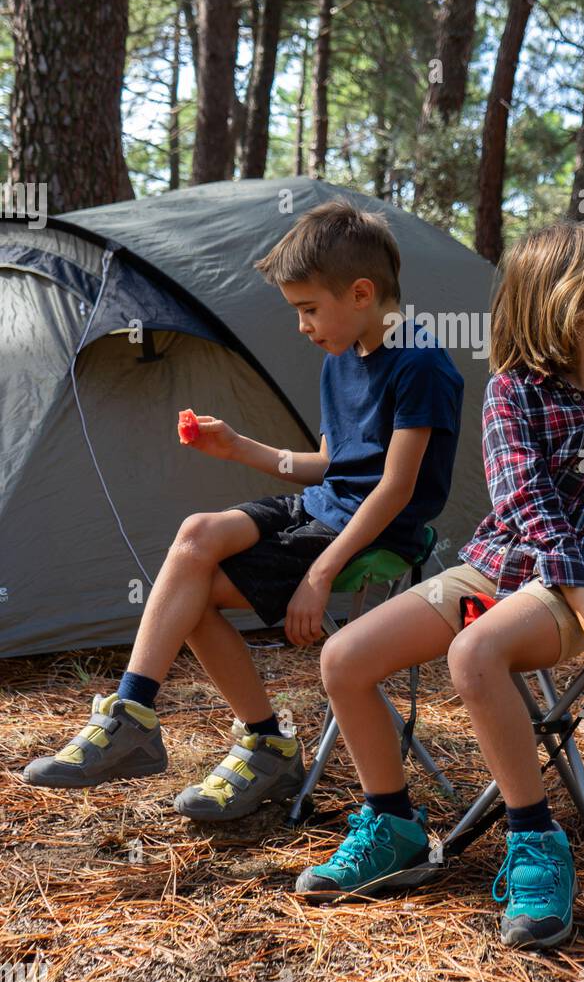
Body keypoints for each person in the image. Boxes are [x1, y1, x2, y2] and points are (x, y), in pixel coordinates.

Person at [295, 219, 584, 950]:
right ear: (574, 302)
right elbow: (528, 507)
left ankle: (536, 842)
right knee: (343, 660)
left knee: (474, 655)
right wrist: (573, 600)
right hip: (505, 565)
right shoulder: (512, 392)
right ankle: (391, 826)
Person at [23, 201, 464, 822]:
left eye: (309, 309)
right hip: (322, 506)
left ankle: (264, 743)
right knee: (196, 535)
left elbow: (391, 489)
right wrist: (237, 447)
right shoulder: (341, 358)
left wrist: (319, 574)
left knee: (192, 595)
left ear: (361, 293)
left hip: (371, 530)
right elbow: (326, 464)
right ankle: (132, 714)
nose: (303, 327)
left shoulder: (420, 365)